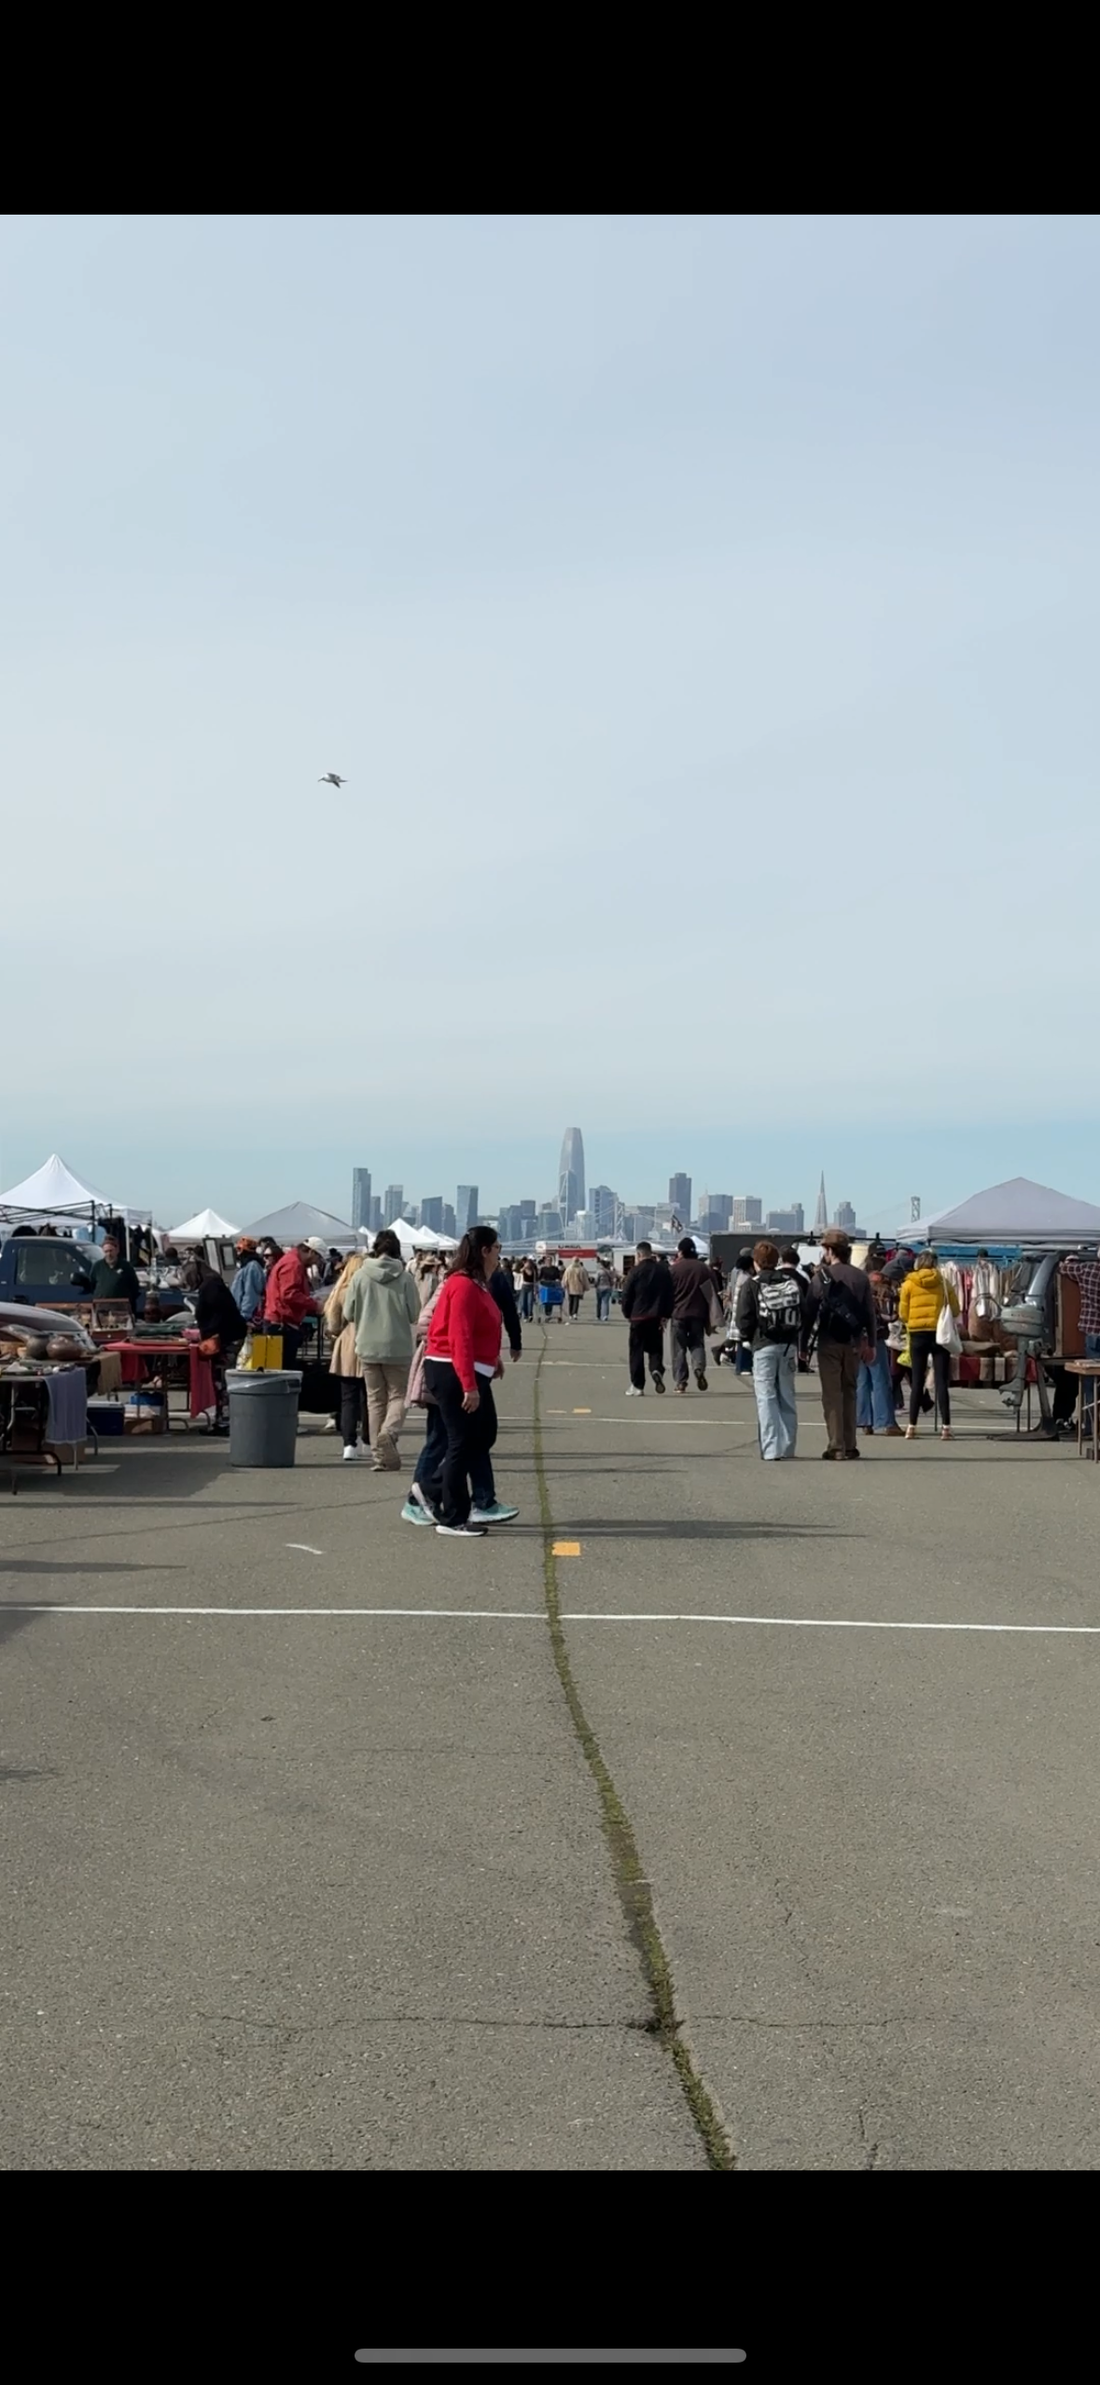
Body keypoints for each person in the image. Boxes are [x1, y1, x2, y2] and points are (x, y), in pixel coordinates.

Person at [422, 1225, 506, 1535]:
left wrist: (491, 1359)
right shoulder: (463, 1285)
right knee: (462, 1441)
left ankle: (431, 1488)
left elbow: (480, 1328)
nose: (499, 1254)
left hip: (471, 1368)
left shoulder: (476, 1284)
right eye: (497, 1248)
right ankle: (453, 1516)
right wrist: (469, 1384)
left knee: (481, 1436)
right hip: (452, 1370)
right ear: (484, 1250)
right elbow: (459, 1336)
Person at [338, 1228, 421, 1470]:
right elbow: (414, 1312)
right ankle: (389, 1432)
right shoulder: (405, 1278)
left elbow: (348, 1313)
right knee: (398, 1395)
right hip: (398, 1345)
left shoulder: (360, 1276)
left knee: (375, 1401)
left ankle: (378, 1455)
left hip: (367, 1345)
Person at [805, 1228, 879, 1459]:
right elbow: (870, 1313)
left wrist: (802, 1345)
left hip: (829, 1341)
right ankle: (850, 1443)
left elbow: (809, 1313)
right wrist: (872, 1344)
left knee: (831, 1394)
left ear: (829, 1250)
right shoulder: (860, 1277)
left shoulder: (821, 1277)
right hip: (854, 1342)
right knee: (850, 1391)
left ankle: (836, 1445)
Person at [736, 1240, 809, 1458]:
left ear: (756, 1262)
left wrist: (747, 1338)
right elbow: (803, 1313)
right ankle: (788, 1447)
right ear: (776, 1261)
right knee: (787, 1396)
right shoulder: (790, 1282)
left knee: (766, 1397)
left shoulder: (753, 1284)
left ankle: (770, 1449)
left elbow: (743, 1319)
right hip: (787, 1346)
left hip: (763, 1345)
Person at [898, 1248, 960, 1441]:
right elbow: (956, 1309)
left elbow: (902, 1313)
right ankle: (946, 1428)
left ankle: (911, 1427)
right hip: (940, 1335)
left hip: (917, 1334)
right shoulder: (943, 1282)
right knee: (941, 1381)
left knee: (917, 1381)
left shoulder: (909, 1283)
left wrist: (914, 1320)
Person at [324, 1250, 369, 1459]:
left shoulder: (341, 1290)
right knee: (370, 1397)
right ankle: (368, 1440)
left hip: (347, 1343)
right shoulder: (371, 1289)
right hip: (369, 1342)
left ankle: (349, 1444)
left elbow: (333, 1323)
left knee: (348, 1398)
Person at [620, 1241, 673, 1394]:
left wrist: (628, 1313)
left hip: (638, 1317)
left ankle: (637, 1385)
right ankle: (656, 1369)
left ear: (639, 1254)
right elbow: (670, 1295)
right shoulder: (663, 1271)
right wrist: (666, 1315)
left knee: (636, 1351)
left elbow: (626, 1295)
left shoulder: (634, 1272)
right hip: (656, 1317)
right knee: (655, 1348)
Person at [261, 1238, 321, 1372]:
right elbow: (289, 1294)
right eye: (317, 1258)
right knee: (280, 1371)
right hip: (281, 1325)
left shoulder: (290, 1260)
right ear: (311, 1252)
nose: (316, 1262)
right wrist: (314, 1305)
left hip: (277, 1321)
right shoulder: (294, 1264)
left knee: (274, 1369)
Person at [1059, 1246, 1100, 1439]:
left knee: (1091, 1381)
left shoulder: (1088, 1270)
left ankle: (1091, 1427)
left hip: (1092, 1332)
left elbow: (1063, 1268)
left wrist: (1071, 1259)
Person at [858, 1272, 903, 1438]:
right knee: (881, 1381)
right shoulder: (883, 1293)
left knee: (862, 1382)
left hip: (856, 1339)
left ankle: (864, 1421)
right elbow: (890, 1316)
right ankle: (886, 1422)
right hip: (875, 1339)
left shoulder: (858, 1290)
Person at [668, 1237, 715, 1393]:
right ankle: (699, 1368)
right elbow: (711, 1294)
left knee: (678, 1349)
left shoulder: (674, 1269)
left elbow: (668, 1293)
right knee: (697, 1344)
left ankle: (681, 1382)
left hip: (678, 1313)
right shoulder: (704, 1269)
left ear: (681, 1252)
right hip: (698, 1314)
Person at [76, 1232, 142, 1312]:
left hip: (121, 1310)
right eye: (106, 1251)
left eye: (111, 1251)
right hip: (101, 1309)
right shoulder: (97, 1266)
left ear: (117, 1250)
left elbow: (135, 1287)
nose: (109, 1254)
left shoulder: (126, 1266)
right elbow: (92, 1286)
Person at [231, 1238, 267, 1325]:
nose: (237, 1252)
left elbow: (250, 1294)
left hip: (248, 1317)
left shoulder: (252, 1267)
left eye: (239, 1249)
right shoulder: (246, 1266)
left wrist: (244, 1316)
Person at [563, 1255, 591, 1320]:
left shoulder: (569, 1269)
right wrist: (586, 1287)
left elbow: (565, 1278)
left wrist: (564, 1285)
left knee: (571, 1301)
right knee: (576, 1301)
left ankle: (570, 1314)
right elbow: (584, 1279)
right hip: (578, 1288)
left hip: (570, 1288)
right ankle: (574, 1313)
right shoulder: (581, 1269)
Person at [538, 1256, 564, 1323]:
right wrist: (541, 1281)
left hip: (553, 1285)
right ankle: (547, 1313)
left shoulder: (555, 1269)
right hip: (545, 1286)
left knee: (551, 1300)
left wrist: (558, 1280)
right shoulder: (543, 1269)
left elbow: (558, 1277)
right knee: (546, 1301)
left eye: (549, 1260)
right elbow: (540, 1277)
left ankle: (549, 1313)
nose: (548, 1262)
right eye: (547, 1260)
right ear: (545, 1261)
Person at [594, 1257, 615, 1323]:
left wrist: (595, 1285)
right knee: (605, 1302)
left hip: (600, 1288)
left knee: (599, 1302)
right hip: (607, 1288)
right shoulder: (610, 1272)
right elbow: (612, 1280)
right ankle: (605, 1315)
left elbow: (596, 1280)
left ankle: (598, 1315)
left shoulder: (599, 1272)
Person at [519, 1256, 538, 1323]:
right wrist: (524, 1267)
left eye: (528, 1263)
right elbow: (519, 1271)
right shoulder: (523, 1270)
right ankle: (525, 1315)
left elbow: (535, 1280)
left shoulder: (533, 1271)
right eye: (526, 1263)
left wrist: (535, 1290)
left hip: (531, 1286)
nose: (527, 1265)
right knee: (524, 1302)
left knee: (530, 1302)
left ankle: (530, 1315)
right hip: (524, 1286)